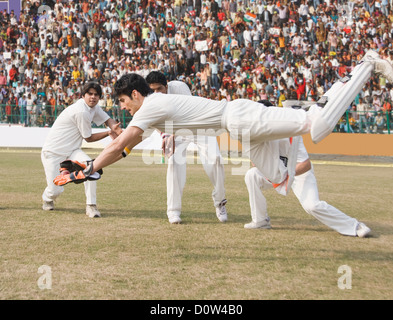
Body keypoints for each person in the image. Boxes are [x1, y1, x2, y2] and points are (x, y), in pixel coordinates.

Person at [55, 51, 393, 201]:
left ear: (133, 94)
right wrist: (95, 166)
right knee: (279, 179)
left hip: (239, 116)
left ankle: (368, 64)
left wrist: (89, 169)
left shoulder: (150, 106)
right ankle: (294, 137)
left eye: (124, 102)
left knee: (318, 128)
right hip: (240, 130)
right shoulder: (153, 110)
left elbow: (118, 145)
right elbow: (125, 148)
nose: (124, 109)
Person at [243, 135, 371, 238]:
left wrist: (284, 176)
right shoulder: (256, 137)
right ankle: (260, 221)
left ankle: (355, 226)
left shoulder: (291, 135)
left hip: (299, 172)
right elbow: (256, 164)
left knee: (312, 206)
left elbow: (306, 165)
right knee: (252, 175)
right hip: (277, 172)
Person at [145, 71, 227, 224]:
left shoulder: (180, 87)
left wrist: (171, 135)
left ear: (167, 85)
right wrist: (165, 136)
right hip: (176, 131)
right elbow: (154, 121)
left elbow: (188, 115)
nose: (157, 93)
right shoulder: (149, 99)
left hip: (199, 124)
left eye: (159, 89)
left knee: (216, 159)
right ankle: (173, 211)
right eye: (153, 90)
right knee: (174, 162)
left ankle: (220, 201)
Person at [41, 82, 122, 217]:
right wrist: (108, 133)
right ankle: (47, 199)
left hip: (72, 151)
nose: (93, 97)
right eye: (90, 94)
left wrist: (121, 133)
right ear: (83, 95)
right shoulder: (81, 111)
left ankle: (91, 206)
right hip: (53, 153)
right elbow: (88, 138)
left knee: (92, 167)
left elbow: (109, 121)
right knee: (56, 190)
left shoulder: (94, 108)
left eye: (96, 95)